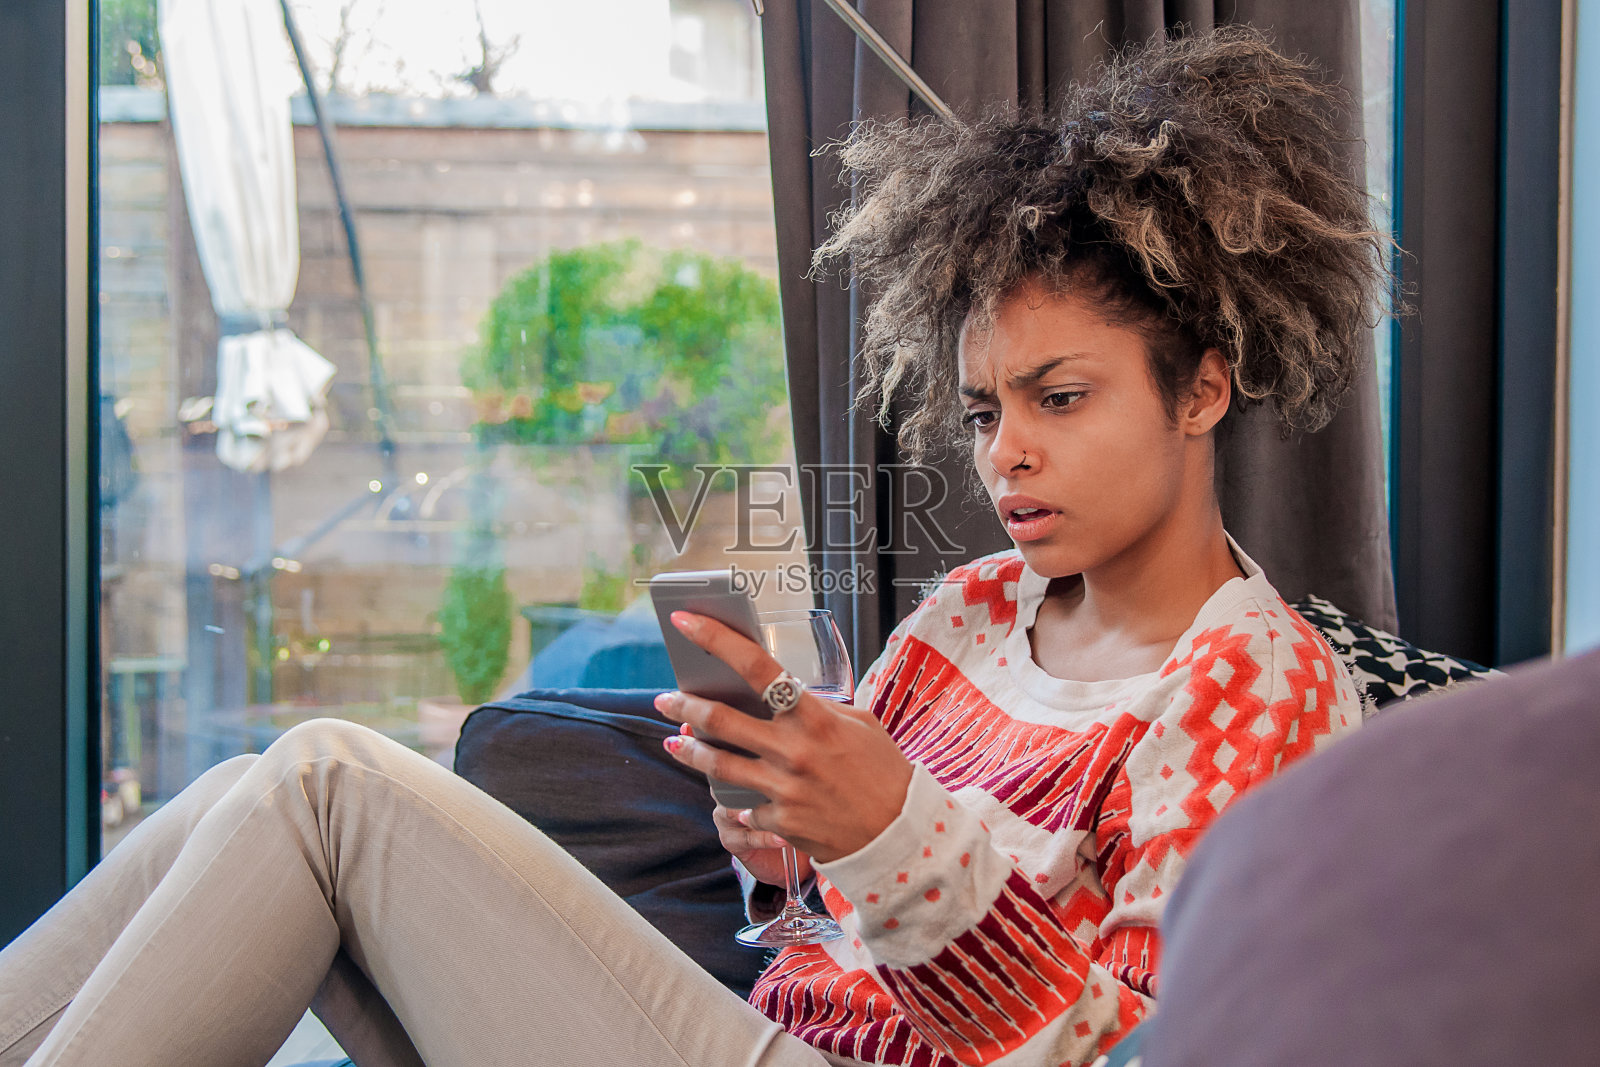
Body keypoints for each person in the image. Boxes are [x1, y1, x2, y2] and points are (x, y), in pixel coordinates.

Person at [0, 27, 1383, 1067]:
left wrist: (893, 830)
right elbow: (830, 928)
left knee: (322, 784)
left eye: (1060, 398)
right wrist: (786, 852)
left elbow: (1137, 1050)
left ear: (1201, 387)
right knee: (256, 789)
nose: (1003, 451)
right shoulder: (969, 613)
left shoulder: (1255, 690)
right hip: (755, 1026)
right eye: (982, 408)